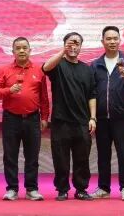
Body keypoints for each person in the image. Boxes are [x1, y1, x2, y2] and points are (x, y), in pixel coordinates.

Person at [88, 26, 124, 201]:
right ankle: (104, 188)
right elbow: (90, 91)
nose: (112, 41)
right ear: (102, 41)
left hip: (122, 119)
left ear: (120, 40)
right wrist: (92, 116)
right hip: (101, 119)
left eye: (115, 38)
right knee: (103, 155)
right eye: (108, 39)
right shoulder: (95, 65)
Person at [0, 36, 50, 201]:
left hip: (33, 118)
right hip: (11, 118)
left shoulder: (39, 70)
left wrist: (44, 117)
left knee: (32, 156)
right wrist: (9, 90)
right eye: (18, 48)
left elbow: (44, 98)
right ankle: (12, 189)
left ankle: (32, 189)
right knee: (10, 155)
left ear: (30, 50)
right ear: (13, 51)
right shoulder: (4, 70)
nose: (22, 51)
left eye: (25, 48)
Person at [42, 31, 97, 201]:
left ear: (81, 47)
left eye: (77, 43)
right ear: (65, 44)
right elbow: (45, 67)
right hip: (61, 122)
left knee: (82, 159)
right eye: (70, 43)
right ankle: (62, 189)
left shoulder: (87, 69)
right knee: (61, 158)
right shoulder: (58, 65)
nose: (74, 46)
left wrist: (93, 118)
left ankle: (81, 189)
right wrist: (63, 51)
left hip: (82, 121)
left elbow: (92, 95)